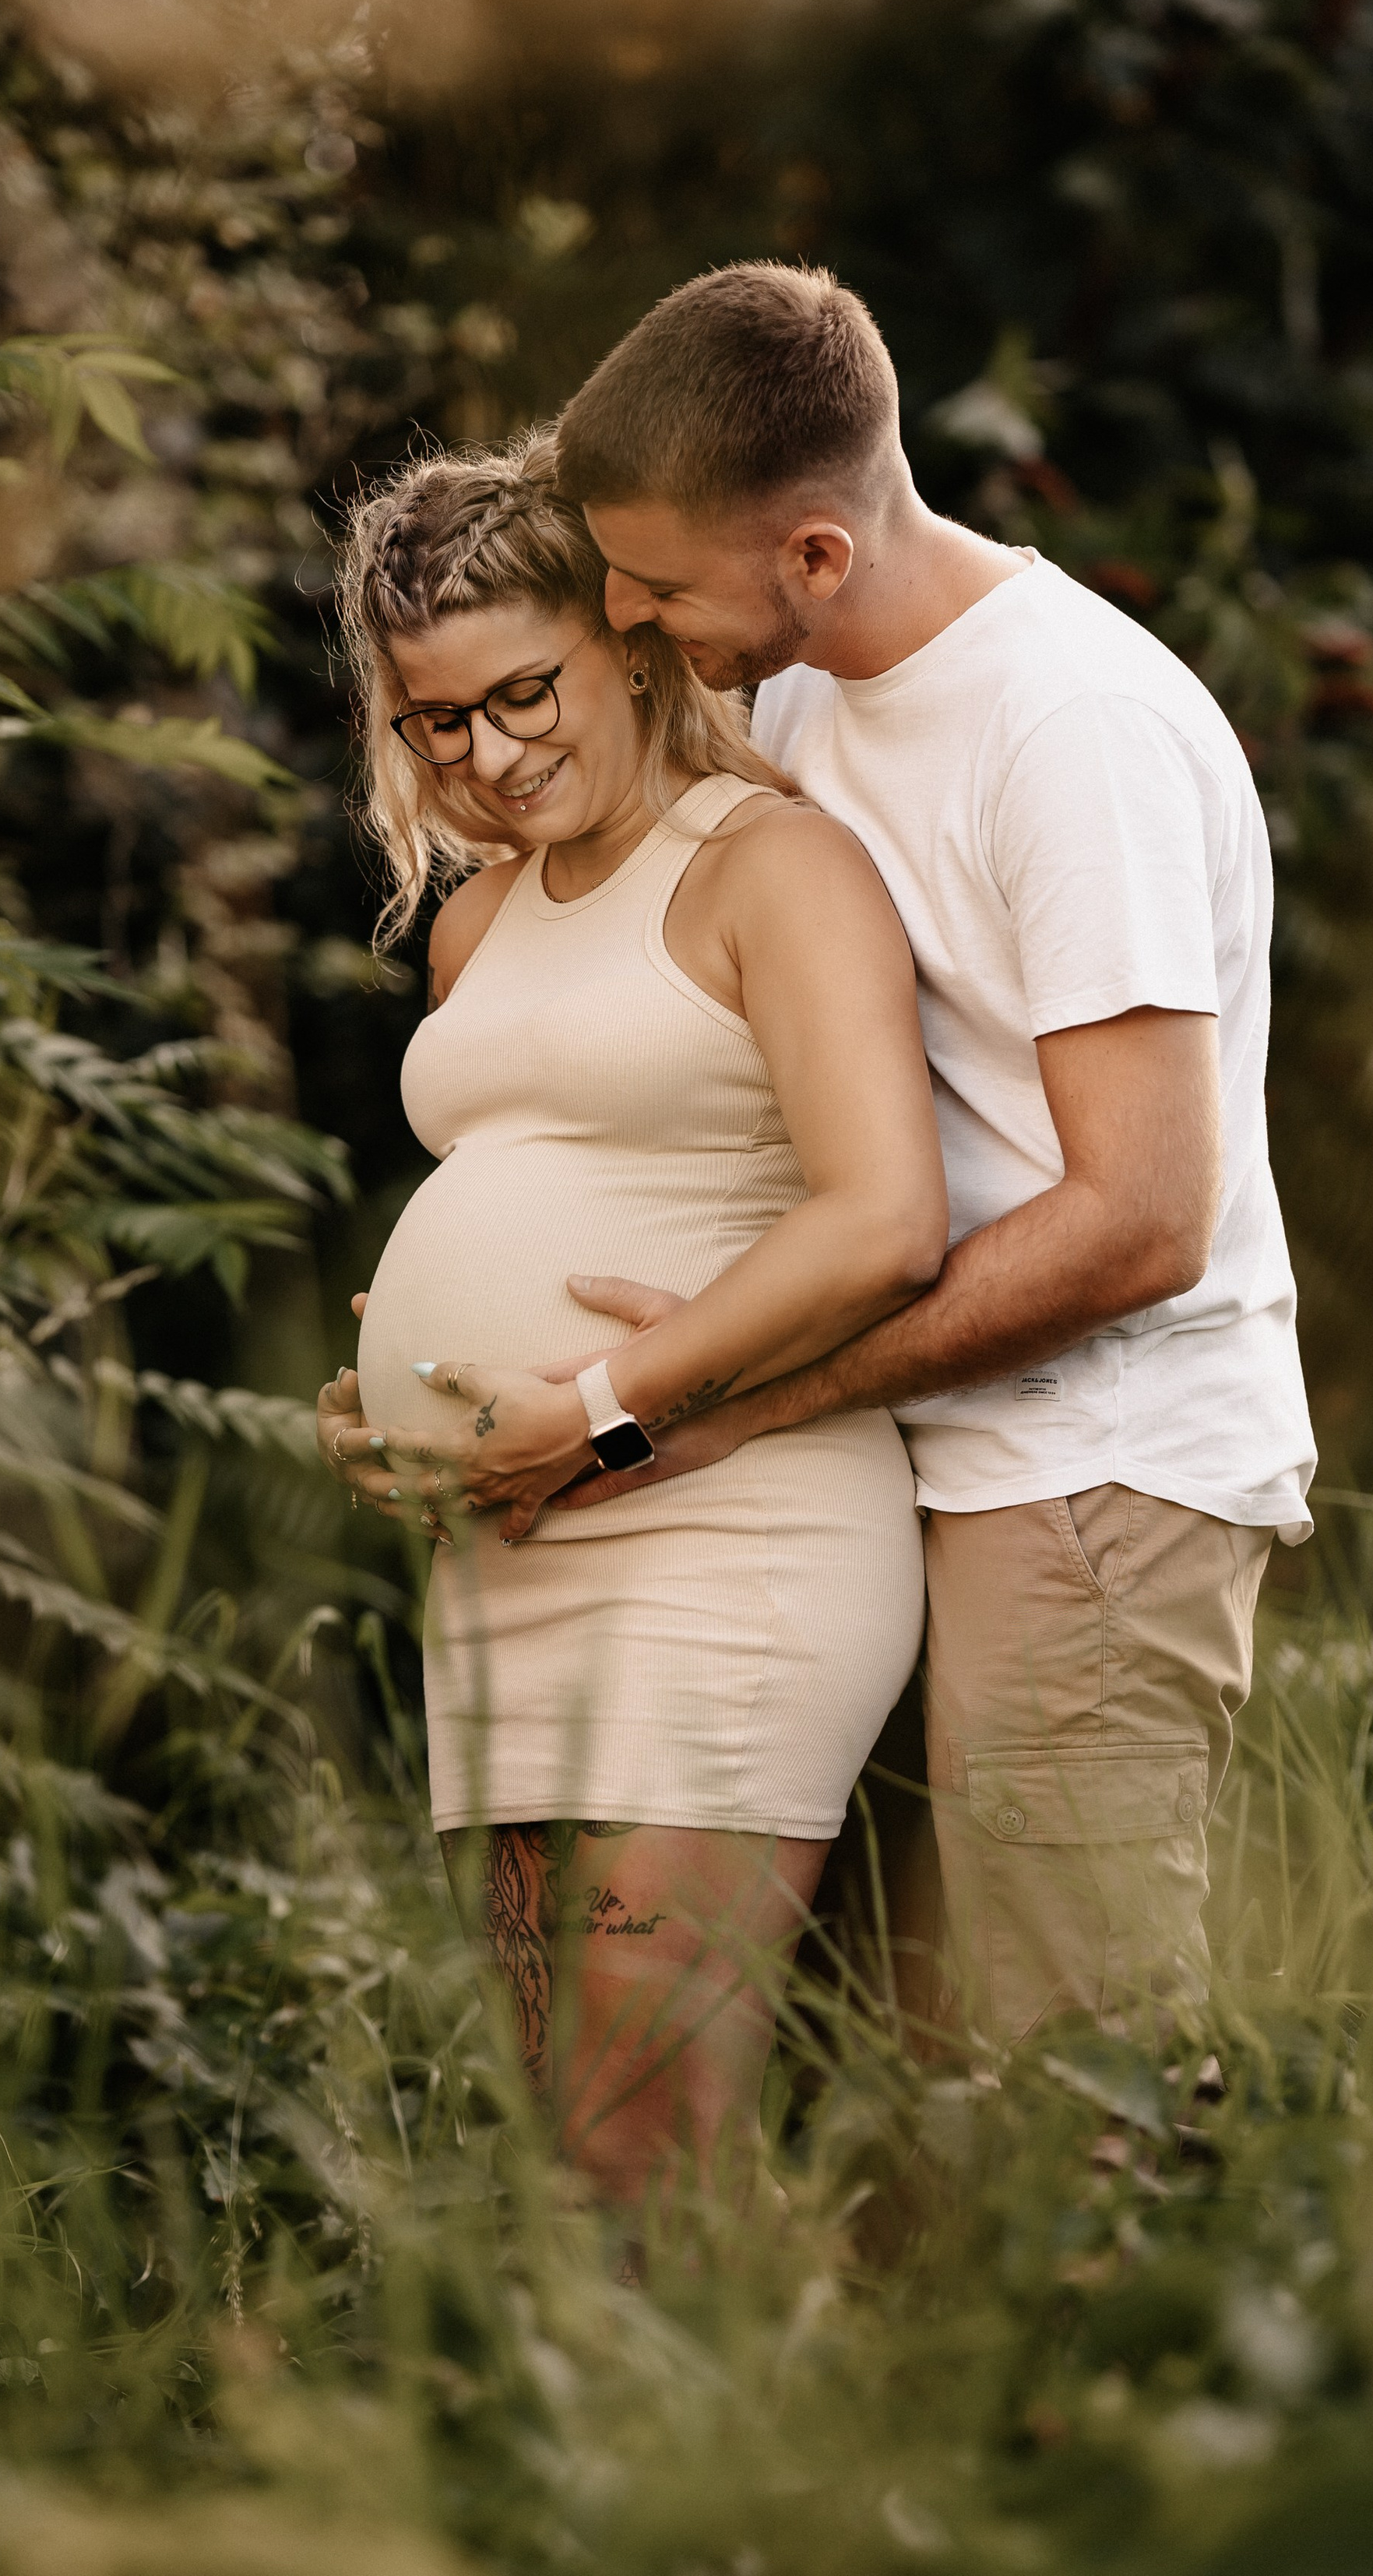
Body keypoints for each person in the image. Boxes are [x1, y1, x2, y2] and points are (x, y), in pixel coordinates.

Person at [333, 263, 1317, 2048]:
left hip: (1078, 1475)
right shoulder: (791, 698)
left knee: (1060, 2077)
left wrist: (685, 1407)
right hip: (893, 1459)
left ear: (811, 554)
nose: (625, 615)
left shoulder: (1063, 727)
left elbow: (1137, 1222)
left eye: (653, 584)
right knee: (881, 2094)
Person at [323, 426, 943, 2217]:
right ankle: (604, 2490)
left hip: (718, 1548)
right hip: (505, 1555)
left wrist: (595, 1402)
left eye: (524, 691)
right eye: (438, 720)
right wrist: (392, 1396)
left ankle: (727, 2497)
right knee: (553, 2152)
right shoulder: (471, 923)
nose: (490, 755)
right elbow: (527, 1187)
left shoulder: (766, 869)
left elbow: (882, 1220)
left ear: (629, 636)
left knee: (635, 2142)